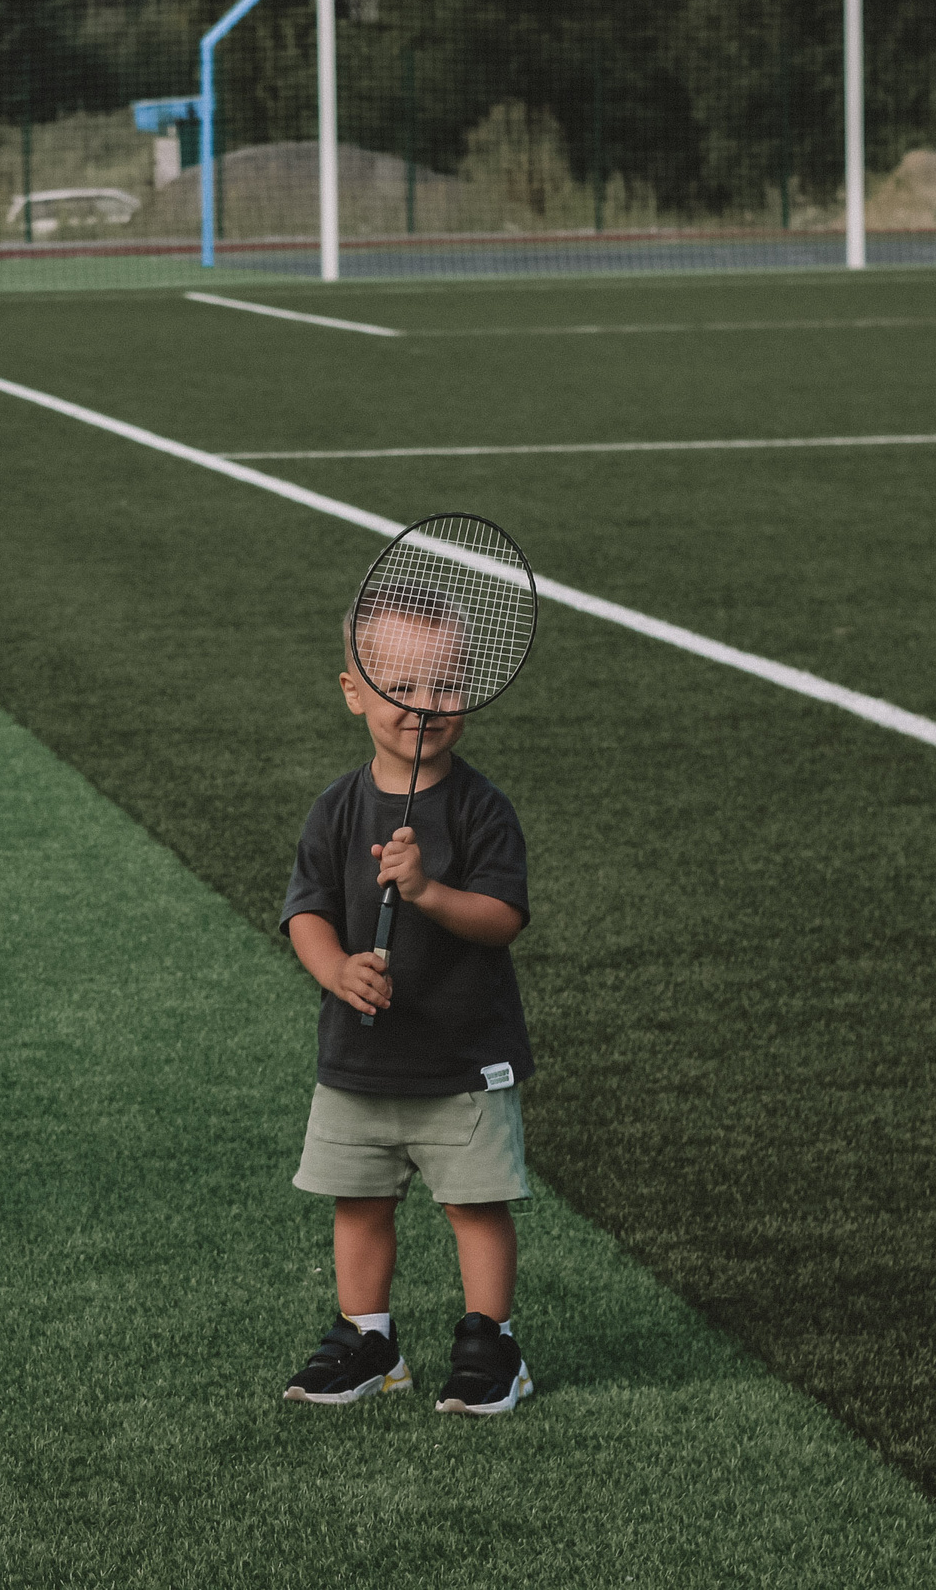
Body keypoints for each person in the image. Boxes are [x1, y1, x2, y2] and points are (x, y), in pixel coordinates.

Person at [276, 587, 536, 1412]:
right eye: (403, 685)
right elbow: (306, 910)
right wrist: (335, 969)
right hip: (360, 1059)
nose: (427, 705)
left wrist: (426, 890)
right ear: (354, 691)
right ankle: (368, 1338)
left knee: (475, 1205)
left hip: (463, 1062)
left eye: (449, 682)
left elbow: (501, 919)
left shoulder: (483, 809)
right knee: (359, 1200)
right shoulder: (336, 808)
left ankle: (489, 1343)